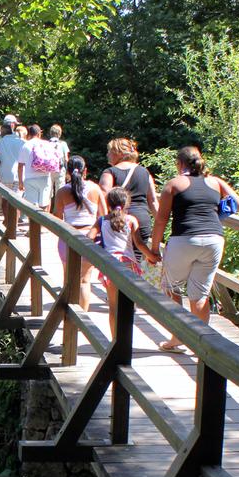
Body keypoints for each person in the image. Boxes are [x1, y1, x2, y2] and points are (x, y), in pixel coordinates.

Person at [147, 146, 239, 353]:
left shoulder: (174, 184)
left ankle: (176, 337)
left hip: (184, 239)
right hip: (213, 240)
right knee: (200, 294)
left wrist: (154, 249)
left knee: (171, 288)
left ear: (179, 164)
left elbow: (161, 220)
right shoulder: (215, 182)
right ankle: (202, 343)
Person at [100, 185, 159, 337]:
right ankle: (126, 338)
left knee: (113, 306)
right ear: (127, 204)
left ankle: (115, 340)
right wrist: (152, 256)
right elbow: (139, 244)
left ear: (108, 204)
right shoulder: (131, 220)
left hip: (109, 264)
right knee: (127, 306)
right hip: (128, 264)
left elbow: (88, 238)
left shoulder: (102, 221)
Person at [50, 155, 107, 310]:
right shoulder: (96, 189)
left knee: (68, 280)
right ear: (85, 171)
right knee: (85, 281)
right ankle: (82, 319)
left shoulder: (62, 192)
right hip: (90, 237)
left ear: (68, 172)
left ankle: (68, 316)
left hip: (68, 236)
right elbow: (103, 216)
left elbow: (56, 217)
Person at [103, 138, 160, 263]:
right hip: (142, 221)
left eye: (109, 151)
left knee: (115, 262)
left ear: (119, 152)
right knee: (135, 261)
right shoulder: (145, 172)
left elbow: (104, 200)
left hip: (119, 222)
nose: (107, 154)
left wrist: (102, 223)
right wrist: (160, 225)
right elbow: (154, 202)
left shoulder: (109, 172)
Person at [18, 123, 56, 208]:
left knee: (32, 207)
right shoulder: (47, 144)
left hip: (30, 178)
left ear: (28, 134)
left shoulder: (25, 145)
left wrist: (20, 182)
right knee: (44, 205)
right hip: (45, 177)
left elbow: (20, 166)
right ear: (39, 133)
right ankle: (44, 221)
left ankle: (33, 221)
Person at [0, 122, 26, 195]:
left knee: (5, 199)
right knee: (16, 201)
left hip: (5, 174)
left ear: (2, 132)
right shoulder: (21, 141)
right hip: (19, 176)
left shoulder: (1, 141)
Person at [48, 124, 71, 197]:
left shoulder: (46, 143)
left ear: (50, 133)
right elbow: (66, 159)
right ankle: (58, 208)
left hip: (49, 170)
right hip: (60, 169)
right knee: (60, 192)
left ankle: (47, 207)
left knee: (48, 193)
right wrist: (68, 172)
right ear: (60, 133)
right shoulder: (63, 144)